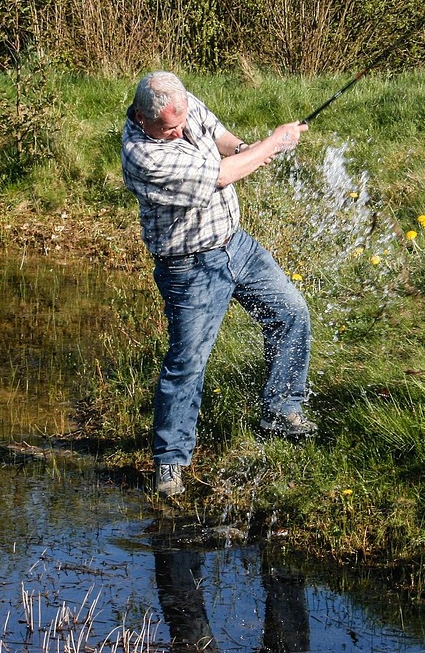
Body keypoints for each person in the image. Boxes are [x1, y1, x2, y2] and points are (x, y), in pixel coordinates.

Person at [121, 71, 317, 498]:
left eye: (181, 120)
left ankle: (281, 411)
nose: (178, 130)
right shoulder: (144, 156)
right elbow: (221, 175)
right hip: (188, 267)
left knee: (291, 315)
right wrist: (272, 145)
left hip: (236, 245)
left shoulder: (178, 102)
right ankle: (170, 463)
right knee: (188, 362)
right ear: (142, 117)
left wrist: (248, 148)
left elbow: (219, 135)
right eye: (169, 128)